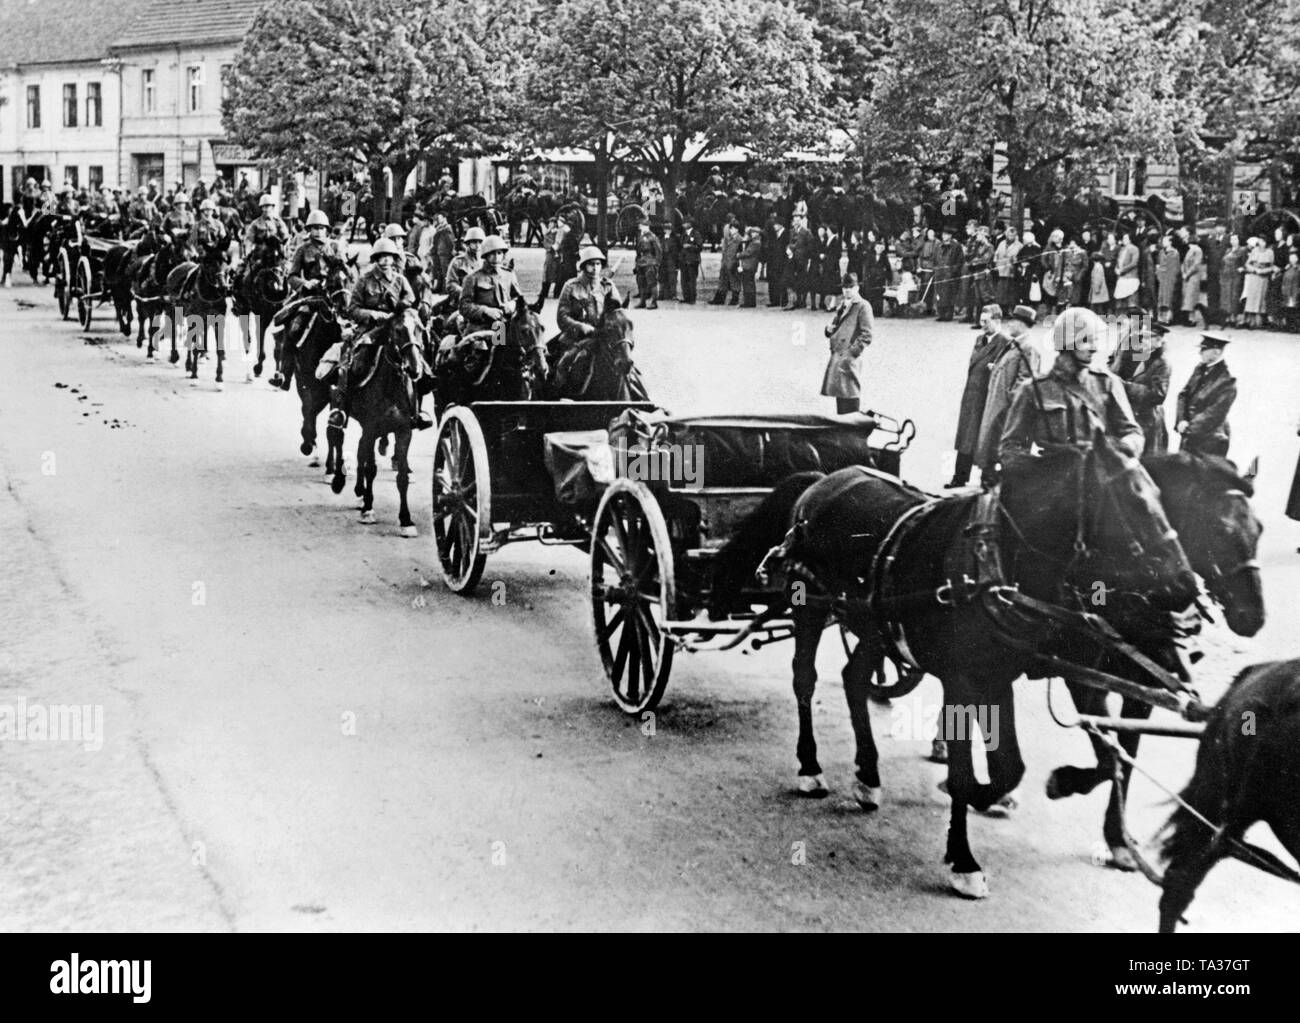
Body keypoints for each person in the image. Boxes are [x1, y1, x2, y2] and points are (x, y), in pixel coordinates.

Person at [998, 307, 1143, 471]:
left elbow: (1133, 433)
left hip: (1099, 480)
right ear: (1066, 342)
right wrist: (1038, 471)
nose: (1094, 348)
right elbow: (1010, 447)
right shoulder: (1033, 390)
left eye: (1095, 340)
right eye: (1086, 340)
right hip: (1055, 483)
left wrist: (1120, 450)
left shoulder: (1108, 384)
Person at [331, 238, 429, 430]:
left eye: (389, 257)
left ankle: (416, 411)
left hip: (396, 326)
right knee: (354, 363)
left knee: (418, 359)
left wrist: (402, 306)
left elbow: (410, 296)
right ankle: (342, 409)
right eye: (382, 257)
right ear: (376, 259)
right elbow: (353, 309)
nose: (386, 261)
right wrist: (376, 315)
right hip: (371, 329)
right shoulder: (365, 279)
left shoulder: (399, 279)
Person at [267, 210, 338, 389]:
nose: (318, 232)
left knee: (348, 331)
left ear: (327, 230)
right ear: (309, 230)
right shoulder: (302, 249)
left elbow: (346, 270)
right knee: (294, 329)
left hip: (334, 298)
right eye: (314, 228)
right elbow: (292, 276)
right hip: (309, 298)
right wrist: (305, 283)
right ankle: (285, 374)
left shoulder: (336, 247)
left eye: (321, 228)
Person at [976, 304, 1043, 478]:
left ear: (1021, 323)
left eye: (1012, 320)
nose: (1009, 324)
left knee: (999, 456)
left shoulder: (1029, 348)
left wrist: (1009, 405)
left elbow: (1025, 382)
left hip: (1005, 412)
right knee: (990, 454)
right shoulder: (1015, 344)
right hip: (998, 408)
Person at [948, 304, 1011, 488]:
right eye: (981, 320)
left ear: (997, 321)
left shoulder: (1004, 342)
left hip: (987, 397)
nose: (982, 324)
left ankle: (987, 479)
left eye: (986, 321)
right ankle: (959, 477)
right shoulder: (980, 339)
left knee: (987, 439)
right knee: (966, 438)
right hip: (972, 396)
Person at [1111, 318, 1170, 455]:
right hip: (1130, 416)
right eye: (1142, 336)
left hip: (1148, 420)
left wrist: (1126, 387)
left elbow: (1158, 395)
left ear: (1158, 340)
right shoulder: (1138, 355)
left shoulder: (1162, 363)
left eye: (1148, 337)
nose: (1142, 340)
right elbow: (1118, 372)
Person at [553, 244, 621, 362]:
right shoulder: (571, 287)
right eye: (591, 264)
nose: (595, 268)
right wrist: (580, 326)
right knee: (563, 365)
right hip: (576, 339)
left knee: (628, 368)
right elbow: (562, 317)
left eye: (598, 264)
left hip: (603, 338)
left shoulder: (608, 286)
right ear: (584, 266)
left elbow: (619, 313)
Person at [1175, 332, 1237, 457]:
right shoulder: (1200, 369)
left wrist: (1189, 427)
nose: (1200, 352)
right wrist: (1182, 420)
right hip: (1189, 433)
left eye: (1204, 349)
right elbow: (1184, 395)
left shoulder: (1227, 381)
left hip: (1210, 440)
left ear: (1216, 352)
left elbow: (1214, 413)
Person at [820, 272, 873, 414]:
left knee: (851, 392)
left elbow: (867, 334)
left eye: (850, 287)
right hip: (838, 354)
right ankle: (843, 428)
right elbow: (836, 325)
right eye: (844, 287)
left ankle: (852, 429)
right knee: (841, 393)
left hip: (849, 357)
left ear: (857, 288)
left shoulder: (862, 306)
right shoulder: (843, 304)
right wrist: (828, 330)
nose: (847, 290)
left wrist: (853, 352)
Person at [459, 234, 525, 333]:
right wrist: (485, 310)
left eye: (499, 253)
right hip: (481, 326)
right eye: (492, 254)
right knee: (481, 347)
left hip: (507, 325)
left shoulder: (508, 275)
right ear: (485, 256)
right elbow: (464, 306)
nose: (496, 257)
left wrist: (513, 304)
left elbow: (520, 299)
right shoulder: (472, 278)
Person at [445, 226, 484, 304]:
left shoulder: (485, 261)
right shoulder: (458, 262)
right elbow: (451, 284)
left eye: (480, 242)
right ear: (467, 244)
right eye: (474, 242)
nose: (477, 245)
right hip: (462, 301)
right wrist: (467, 294)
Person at [933, 227, 964, 321]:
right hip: (939, 273)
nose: (944, 236)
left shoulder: (956, 246)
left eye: (946, 234)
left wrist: (953, 271)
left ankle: (949, 314)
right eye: (943, 234)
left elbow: (959, 260)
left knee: (949, 294)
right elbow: (935, 258)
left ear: (950, 236)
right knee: (939, 294)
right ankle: (941, 314)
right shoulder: (938, 245)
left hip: (950, 274)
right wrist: (935, 268)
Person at [634, 218, 662, 309]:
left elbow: (658, 251)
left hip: (650, 263)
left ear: (646, 226)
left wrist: (656, 263)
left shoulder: (652, 237)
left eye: (641, 225)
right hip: (641, 262)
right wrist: (636, 264)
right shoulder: (641, 236)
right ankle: (642, 301)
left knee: (652, 283)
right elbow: (638, 251)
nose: (640, 227)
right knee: (641, 282)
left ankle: (654, 302)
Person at [1219, 233, 1245, 327]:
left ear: (1239, 240)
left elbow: (1245, 262)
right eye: (1232, 239)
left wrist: (1242, 268)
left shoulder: (1242, 250)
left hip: (1235, 276)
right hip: (1226, 276)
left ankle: (1234, 317)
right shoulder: (1228, 250)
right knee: (1226, 296)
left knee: (1234, 295)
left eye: (1235, 239)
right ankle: (1228, 316)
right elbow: (1222, 262)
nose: (1233, 241)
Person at [679, 216, 704, 304]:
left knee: (691, 280)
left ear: (690, 224)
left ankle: (692, 298)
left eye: (685, 223)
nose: (683, 225)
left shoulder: (696, 234)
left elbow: (700, 247)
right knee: (684, 280)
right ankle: (686, 297)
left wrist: (690, 246)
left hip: (692, 260)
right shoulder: (683, 234)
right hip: (684, 260)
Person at [738, 226, 762, 308]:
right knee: (748, 283)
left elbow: (748, 252)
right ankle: (750, 301)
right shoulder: (754, 241)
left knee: (748, 284)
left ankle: (749, 302)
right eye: (751, 232)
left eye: (754, 232)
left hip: (749, 265)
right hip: (751, 265)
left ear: (757, 233)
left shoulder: (755, 243)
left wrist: (739, 255)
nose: (752, 234)